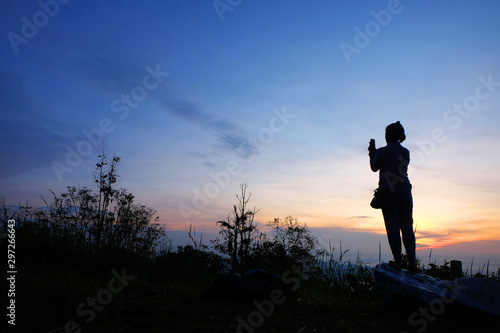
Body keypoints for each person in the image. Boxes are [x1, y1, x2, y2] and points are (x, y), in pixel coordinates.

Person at [368, 121, 418, 272]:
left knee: (392, 227)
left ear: (388, 135)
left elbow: (374, 167)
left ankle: (397, 261)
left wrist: (372, 153)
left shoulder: (382, 152)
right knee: (407, 227)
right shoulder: (405, 152)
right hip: (404, 189)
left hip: (387, 191)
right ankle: (412, 263)